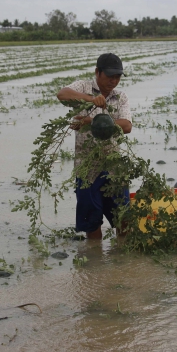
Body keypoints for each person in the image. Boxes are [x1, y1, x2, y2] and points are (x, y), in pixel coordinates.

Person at [56, 53, 132, 239]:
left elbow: (127, 125)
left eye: (117, 77)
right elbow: (62, 94)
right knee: (92, 219)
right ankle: (95, 261)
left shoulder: (120, 97)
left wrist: (95, 122)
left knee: (123, 216)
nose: (114, 81)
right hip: (87, 167)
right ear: (97, 72)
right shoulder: (83, 87)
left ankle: (122, 260)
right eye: (109, 76)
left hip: (114, 166)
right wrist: (91, 99)